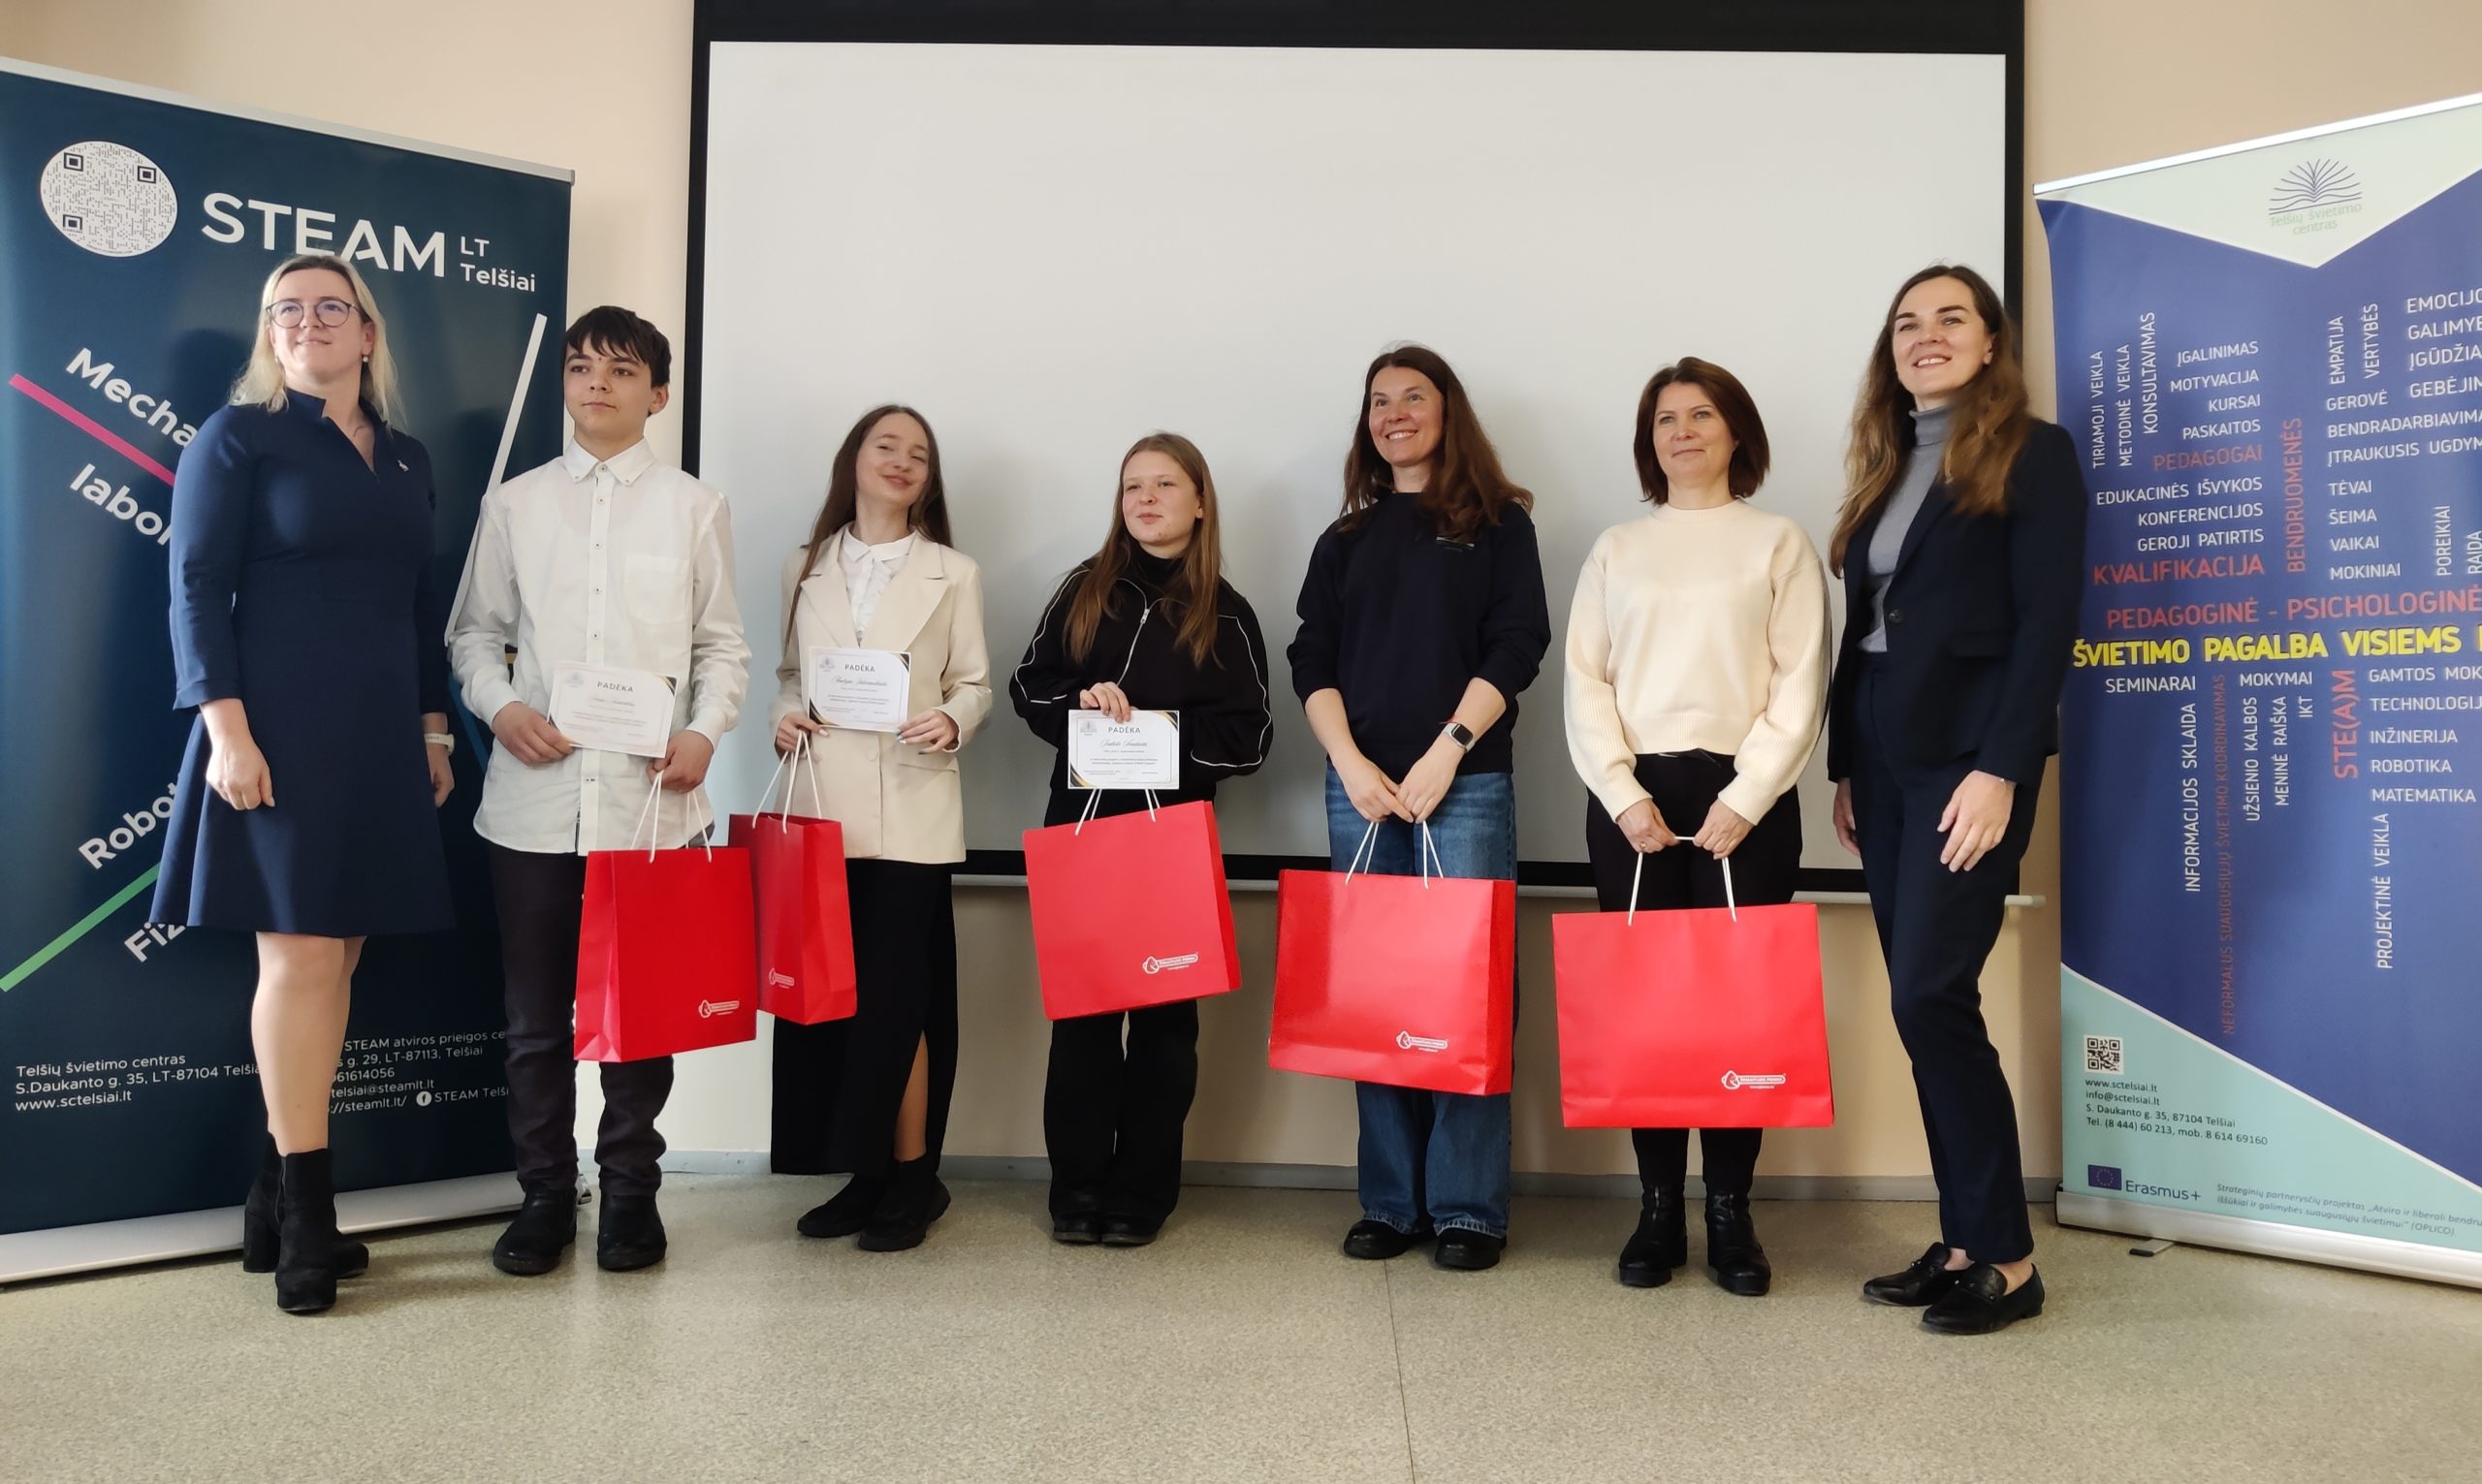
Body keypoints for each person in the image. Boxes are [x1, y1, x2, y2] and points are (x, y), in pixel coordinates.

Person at [154, 252, 457, 1313]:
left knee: (342, 960)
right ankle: (309, 1218)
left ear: (368, 333)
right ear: (269, 332)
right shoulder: (236, 435)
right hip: (275, 728)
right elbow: (195, 589)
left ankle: (271, 1197)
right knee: (302, 959)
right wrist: (226, 731)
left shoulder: (409, 456)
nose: (309, 321)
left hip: (380, 737)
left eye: (332, 307)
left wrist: (433, 730)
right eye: (288, 309)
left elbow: (421, 604)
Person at [445, 305, 750, 1278]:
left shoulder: (694, 506)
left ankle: (630, 1194)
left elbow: (721, 647)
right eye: (580, 367)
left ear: (657, 395)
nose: (596, 384)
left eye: (620, 370)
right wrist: (500, 707)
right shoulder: (516, 503)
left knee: (642, 1013)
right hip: (533, 803)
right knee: (534, 1021)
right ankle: (545, 1194)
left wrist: (704, 732)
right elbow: (471, 633)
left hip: (650, 807)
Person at [1826, 264, 2084, 1335]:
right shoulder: (1886, 465)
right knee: (1923, 1000)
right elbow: (1868, 632)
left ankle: (2010, 1261)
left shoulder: (2034, 452)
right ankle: (1967, 1239)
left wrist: (2001, 767)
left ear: (1989, 342)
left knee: (1928, 995)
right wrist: (1847, 762)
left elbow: (2046, 622)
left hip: (1967, 763)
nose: (1925, 336)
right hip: (1883, 756)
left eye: (1949, 319)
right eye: (1906, 323)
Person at [1564, 357, 1829, 1296]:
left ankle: (1729, 1211)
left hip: (1743, 803)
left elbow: (1801, 681)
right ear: (1650, 442)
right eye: (1665, 419)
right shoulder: (1617, 548)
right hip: (1633, 804)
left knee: (1737, 1013)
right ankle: (1656, 1211)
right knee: (1649, 1014)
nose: (1682, 431)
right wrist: (1620, 792)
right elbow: (1585, 682)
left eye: (1701, 414)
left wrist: (1747, 797)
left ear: (1735, 432)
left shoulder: (1778, 542)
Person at [1289, 345, 1550, 1273]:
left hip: (1464, 786)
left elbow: (1519, 644)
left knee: (1465, 992)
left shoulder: (1499, 524)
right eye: (1379, 401)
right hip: (1360, 793)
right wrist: (1349, 763)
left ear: (1448, 413)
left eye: (1413, 397)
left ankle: (1469, 1208)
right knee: (1376, 993)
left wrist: (1451, 746)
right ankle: (1391, 1202)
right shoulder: (1345, 538)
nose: (1394, 413)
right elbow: (1311, 658)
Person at [1009, 432, 1271, 1247]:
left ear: (1201, 502)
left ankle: (1142, 1192)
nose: (1146, 499)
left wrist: (1163, 737)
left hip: (1172, 844)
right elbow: (1029, 687)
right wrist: (1079, 705)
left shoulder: (1229, 613)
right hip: (1082, 832)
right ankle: (1077, 1190)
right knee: (1083, 1024)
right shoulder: (1083, 589)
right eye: (1133, 487)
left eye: (1165, 485)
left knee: (1164, 1028)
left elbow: (1253, 738)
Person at [771, 405, 992, 1251]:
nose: (901, 461)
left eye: (918, 454)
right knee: (834, 1000)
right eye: (885, 446)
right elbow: (790, 674)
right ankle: (861, 1172)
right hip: (822, 807)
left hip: (913, 810)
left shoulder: (953, 571)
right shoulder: (803, 565)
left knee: (902, 1000)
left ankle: (912, 1176)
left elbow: (974, 682)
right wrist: (784, 715)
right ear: (854, 461)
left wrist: (954, 718)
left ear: (928, 480)